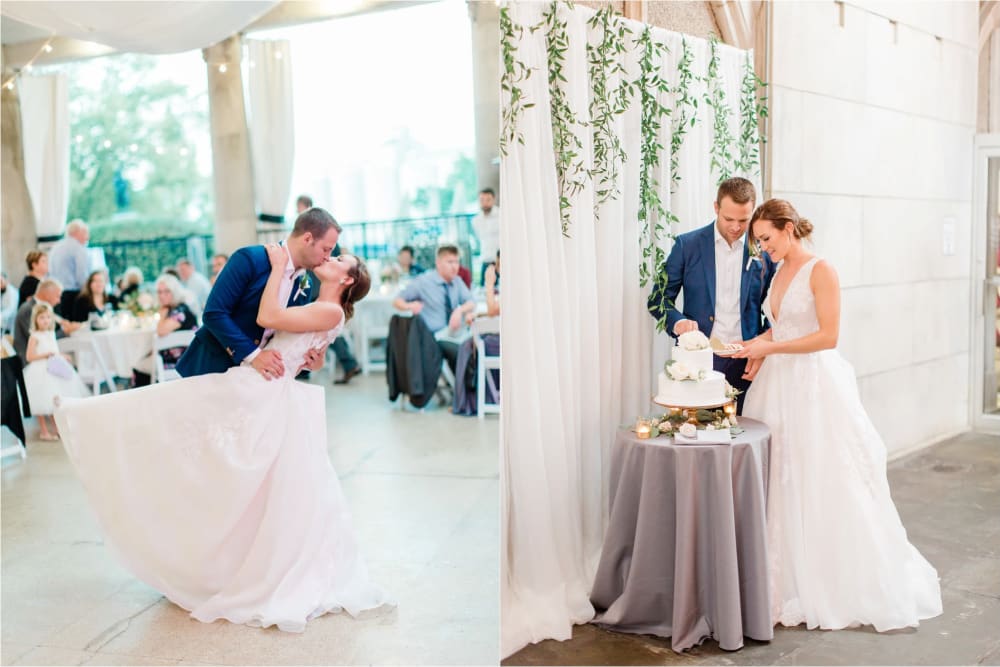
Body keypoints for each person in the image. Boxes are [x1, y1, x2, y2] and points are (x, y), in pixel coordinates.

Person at [53, 246, 390, 630]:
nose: (330, 258)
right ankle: (93, 421)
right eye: (329, 252)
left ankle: (92, 420)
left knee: (181, 419)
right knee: (191, 428)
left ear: (347, 280)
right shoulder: (321, 306)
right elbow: (313, 353)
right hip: (264, 386)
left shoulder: (329, 309)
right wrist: (312, 355)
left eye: (339, 260)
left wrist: (279, 268)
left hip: (265, 389)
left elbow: (268, 317)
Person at [734, 199, 942, 631]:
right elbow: (785, 326)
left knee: (817, 477)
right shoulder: (777, 270)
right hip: (778, 385)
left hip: (812, 388)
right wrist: (758, 348)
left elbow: (827, 336)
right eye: (759, 242)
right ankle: (779, 577)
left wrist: (770, 347)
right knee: (781, 477)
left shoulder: (821, 270)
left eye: (767, 239)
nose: (763, 248)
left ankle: (824, 580)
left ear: (788, 227)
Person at [647, 177, 777, 414]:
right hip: (699, 363)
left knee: (744, 434)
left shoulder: (765, 251)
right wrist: (678, 322)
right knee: (698, 438)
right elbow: (658, 300)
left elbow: (774, 308)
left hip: (747, 361)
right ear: (716, 207)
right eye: (729, 219)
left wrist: (764, 347)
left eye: (743, 220)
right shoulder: (688, 245)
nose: (736, 227)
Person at [176, 207, 340, 379]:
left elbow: (287, 337)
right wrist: (254, 355)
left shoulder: (305, 283)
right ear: (307, 239)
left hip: (255, 379)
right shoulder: (250, 259)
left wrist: (311, 361)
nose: (328, 257)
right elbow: (214, 313)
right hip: (212, 367)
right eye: (326, 249)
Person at [394, 244, 475, 374]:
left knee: (475, 348)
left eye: (457, 262)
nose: (455, 266)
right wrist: (410, 306)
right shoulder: (423, 282)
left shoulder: (457, 282)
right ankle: (464, 390)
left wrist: (459, 311)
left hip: (452, 334)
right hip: (433, 337)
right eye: (450, 262)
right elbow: (397, 300)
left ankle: (466, 390)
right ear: (438, 263)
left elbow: (471, 302)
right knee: (461, 352)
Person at [23, 302, 90, 440]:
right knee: (41, 401)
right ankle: (44, 431)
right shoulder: (34, 336)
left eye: (48, 317)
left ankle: (58, 428)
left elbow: (54, 351)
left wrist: (61, 356)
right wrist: (46, 355)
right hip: (40, 370)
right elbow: (29, 356)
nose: (45, 320)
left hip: (54, 368)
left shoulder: (51, 333)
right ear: (35, 319)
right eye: (42, 317)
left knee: (55, 401)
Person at [131, 275, 198, 387]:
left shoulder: (180, 311)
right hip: (182, 357)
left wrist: (162, 316)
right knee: (145, 358)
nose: (162, 296)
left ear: (175, 291)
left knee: (139, 364)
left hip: (181, 360)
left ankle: (146, 397)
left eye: (167, 291)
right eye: (159, 292)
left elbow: (161, 331)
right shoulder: (178, 308)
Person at [14, 279, 80, 363]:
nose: (59, 301)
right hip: (32, 361)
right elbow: (40, 339)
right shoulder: (29, 309)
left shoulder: (44, 308)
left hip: (47, 355)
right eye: (57, 296)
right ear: (48, 294)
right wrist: (64, 331)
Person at [48, 219, 91, 317]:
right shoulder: (78, 248)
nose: (88, 237)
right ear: (77, 232)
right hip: (72, 294)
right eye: (85, 232)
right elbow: (82, 276)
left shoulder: (56, 247)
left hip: (55, 293)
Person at [471, 188, 499, 286]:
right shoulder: (476, 220)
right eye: (482, 200)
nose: (485, 203)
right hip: (486, 260)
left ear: (494, 200)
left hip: (501, 262)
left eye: (488, 200)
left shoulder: (502, 216)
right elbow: (480, 238)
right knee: (484, 293)